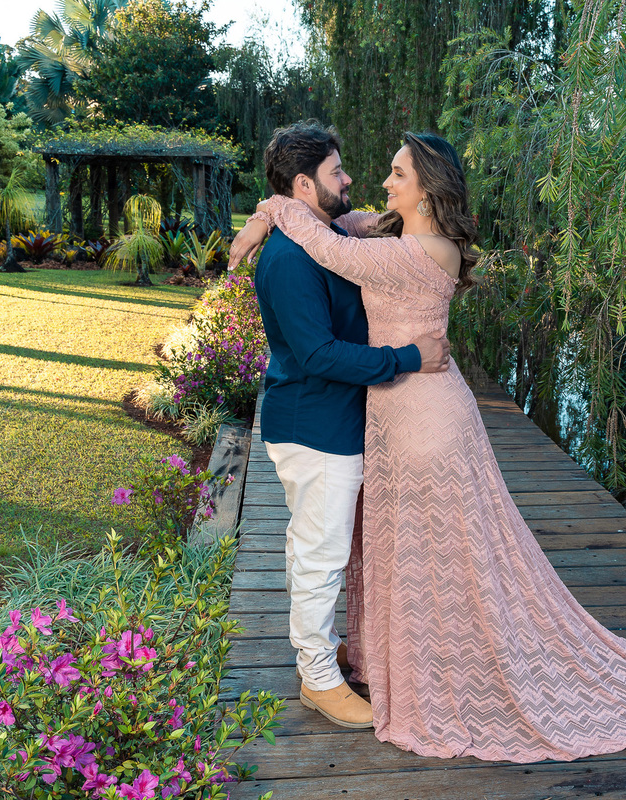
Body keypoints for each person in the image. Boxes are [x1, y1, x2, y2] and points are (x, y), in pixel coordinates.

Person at [230, 131, 626, 762]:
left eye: (397, 173)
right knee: (403, 547)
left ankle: (431, 668)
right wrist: (271, 211)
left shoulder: (419, 251)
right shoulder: (382, 231)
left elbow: (323, 241)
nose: (378, 183)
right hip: (391, 410)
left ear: (427, 186)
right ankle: (385, 657)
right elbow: (330, 232)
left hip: (423, 416)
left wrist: (272, 211)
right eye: (350, 172)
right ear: (309, 183)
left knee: (438, 554)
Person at [250, 122, 452, 731]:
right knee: (321, 553)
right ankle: (318, 680)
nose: (350, 180)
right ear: (303, 184)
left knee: (314, 546)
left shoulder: (319, 233)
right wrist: (407, 359)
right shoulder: (290, 260)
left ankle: (321, 654)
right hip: (314, 425)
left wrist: (266, 213)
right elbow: (317, 354)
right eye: (337, 172)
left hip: (331, 420)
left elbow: (358, 228)